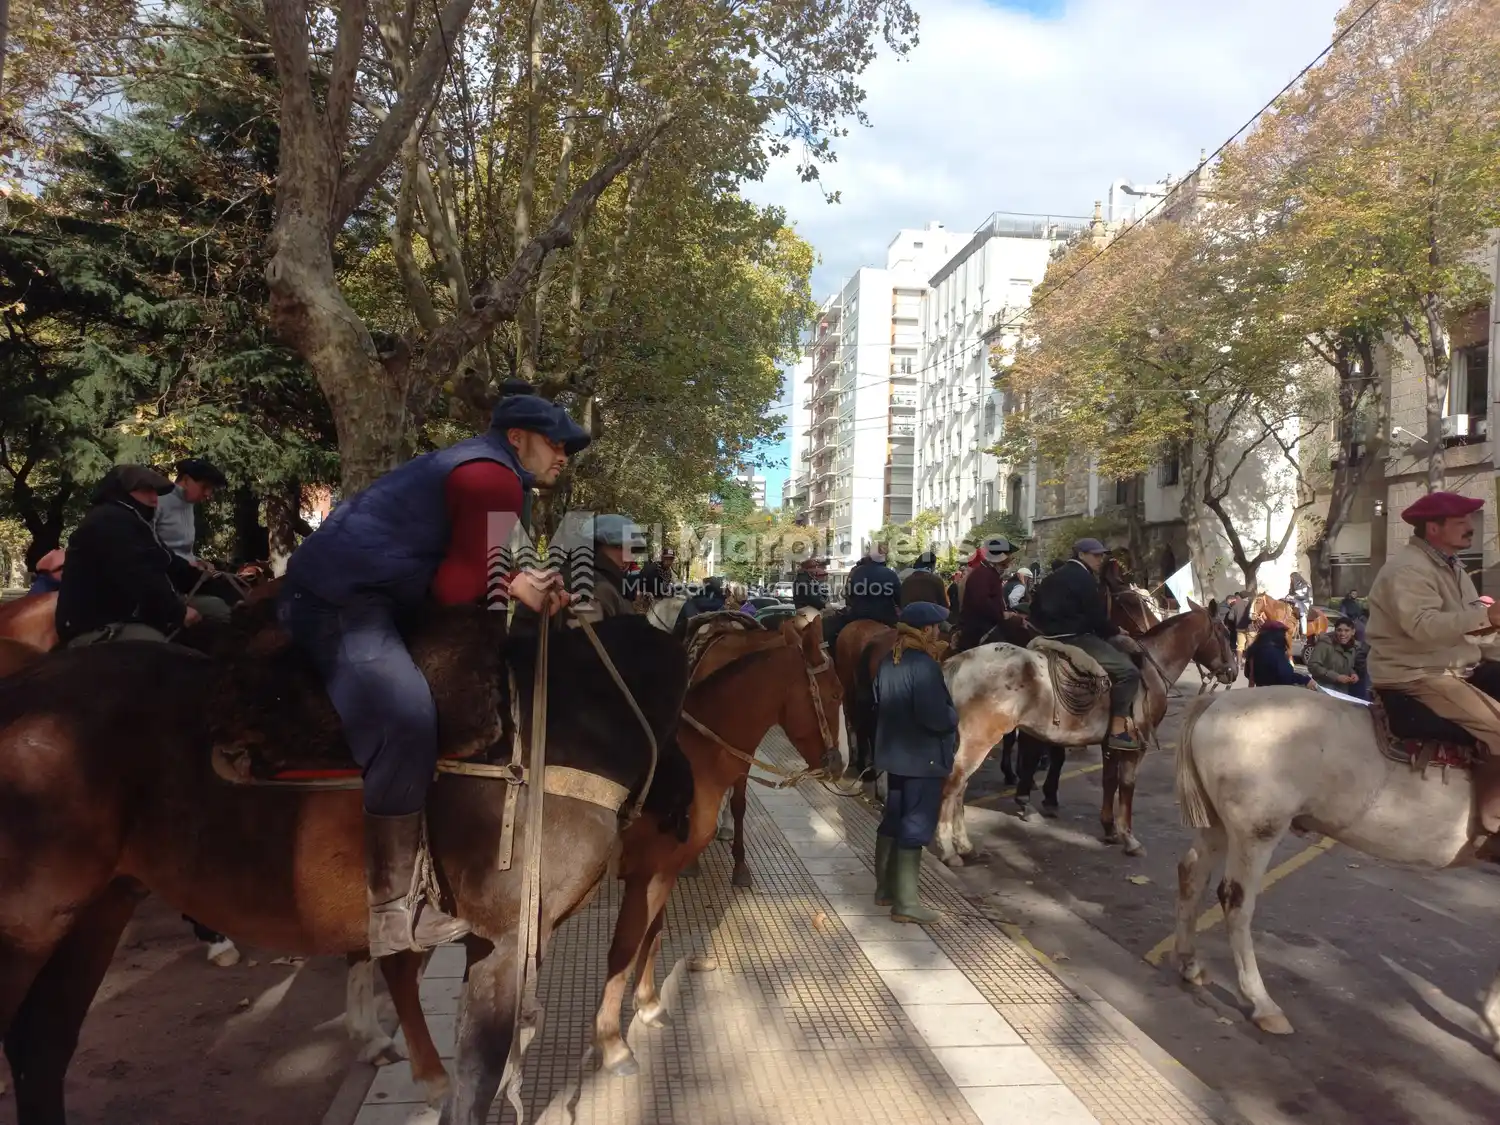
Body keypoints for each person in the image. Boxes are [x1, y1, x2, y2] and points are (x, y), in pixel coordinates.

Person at [279, 388, 588, 958]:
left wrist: (519, 580)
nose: (564, 454)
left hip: (377, 595)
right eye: (556, 441)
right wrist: (517, 585)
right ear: (516, 438)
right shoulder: (492, 479)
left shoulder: (486, 469)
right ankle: (392, 913)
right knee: (406, 716)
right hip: (342, 601)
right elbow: (455, 589)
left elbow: (480, 566)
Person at [1365, 491, 1500, 749]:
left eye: (1470, 520)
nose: (1471, 527)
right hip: (1418, 675)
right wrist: (1487, 616)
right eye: (1461, 522)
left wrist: (1490, 624)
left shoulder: (1453, 567)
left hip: (1454, 669)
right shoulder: (1409, 569)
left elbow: (1472, 632)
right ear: (1434, 528)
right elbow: (1423, 626)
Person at [871, 601, 957, 924]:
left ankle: (885, 890)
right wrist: (954, 714)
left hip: (895, 757)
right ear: (925, 630)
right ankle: (906, 903)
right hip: (925, 759)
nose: (940, 632)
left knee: (893, 819)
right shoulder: (924, 665)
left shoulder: (888, 661)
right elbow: (935, 717)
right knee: (916, 825)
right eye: (936, 627)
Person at [56, 465, 201, 646]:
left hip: (123, 617)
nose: (154, 499)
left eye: (155, 492)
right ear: (123, 492)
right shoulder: (110, 521)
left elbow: (165, 561)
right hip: (94, 626)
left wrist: (208, 579)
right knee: (162, 653)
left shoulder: (133, 520)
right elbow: (139, 574)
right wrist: (178, 611)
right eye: (146, 490)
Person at [1027, 538, 1142, 750]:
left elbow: (1034, 612)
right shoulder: (1085, 579)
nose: (1100, 559)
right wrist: (1116, 630)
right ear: (1081, 554)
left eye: (1101, 555)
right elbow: (1095, 618)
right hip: (1076, 638)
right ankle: (1118, 729)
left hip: (1047, 638)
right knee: (1129, 672)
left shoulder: (1052, 577)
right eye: (1096, 555)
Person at [155, 457, 236, 621]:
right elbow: (151, 545)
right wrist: (185, 563)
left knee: (236, 589)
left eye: (210, 489)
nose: (208, 494)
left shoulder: (189, 505)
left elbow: (183, 549)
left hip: (188, 573)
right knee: (227, 603)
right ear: (185, 480)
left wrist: (199, 561)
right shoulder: (159, 501)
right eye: (204, 487)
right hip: (169, 576)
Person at [957, 536, 1013, 649]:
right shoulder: (982, 574)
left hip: (983, 629)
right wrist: (1001, 615)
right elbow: (981, 602)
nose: (1006, 567)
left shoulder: (989, 573)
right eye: (1004, 564)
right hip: (979, 634)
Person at [1305, 617, 1363, 696]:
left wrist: (1353, 674)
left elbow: (1348, 666)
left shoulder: (1353, 647)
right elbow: (1312, 666)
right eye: (1339, 630)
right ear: (1335, 631)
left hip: (1342, 692)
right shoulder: (1325, 644)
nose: (1342, 633)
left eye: (1346, 630)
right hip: (1323, 690)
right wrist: (1336, 676)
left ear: (1353, 632)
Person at [1245, 620, 1312, 687]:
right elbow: (1286, 675)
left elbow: (1251, 675)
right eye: (1283, 634)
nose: (1284, 637)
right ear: (1276, 635)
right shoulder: (1275, 652)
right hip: (1276, 693)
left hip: (1260, 690)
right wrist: (1305, 680)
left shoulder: (1254, 650)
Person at [846, 545, 901, 626]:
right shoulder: (891, 574)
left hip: (858, 615)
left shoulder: (857, 572)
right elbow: (899, 597)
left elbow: (849, 594)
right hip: (885, 617)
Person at [1286, 571, 1314, 636]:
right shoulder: (1292, 585)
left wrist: (1293, 596)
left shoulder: (1305, 585)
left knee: (1302, 615)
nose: (1291, 580)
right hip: (1295, 601)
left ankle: (1304, 633)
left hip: (1304, 602)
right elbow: (1290, 594)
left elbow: (1303, 595)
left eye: (1292, 578)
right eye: (1291, 578)